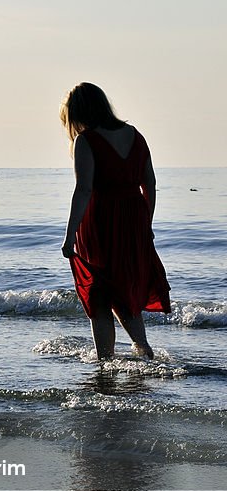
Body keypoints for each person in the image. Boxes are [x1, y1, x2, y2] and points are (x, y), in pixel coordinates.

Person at [60, 82, 171, 360]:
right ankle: (144, 350)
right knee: (124, 288)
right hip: (134, 218)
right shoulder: (135, 136)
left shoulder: (86, 140)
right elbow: (150, 183)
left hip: (101, 221)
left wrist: (70, 234)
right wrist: (147, 223)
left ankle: (105, 362)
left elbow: (84, 189)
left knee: (99, 292)